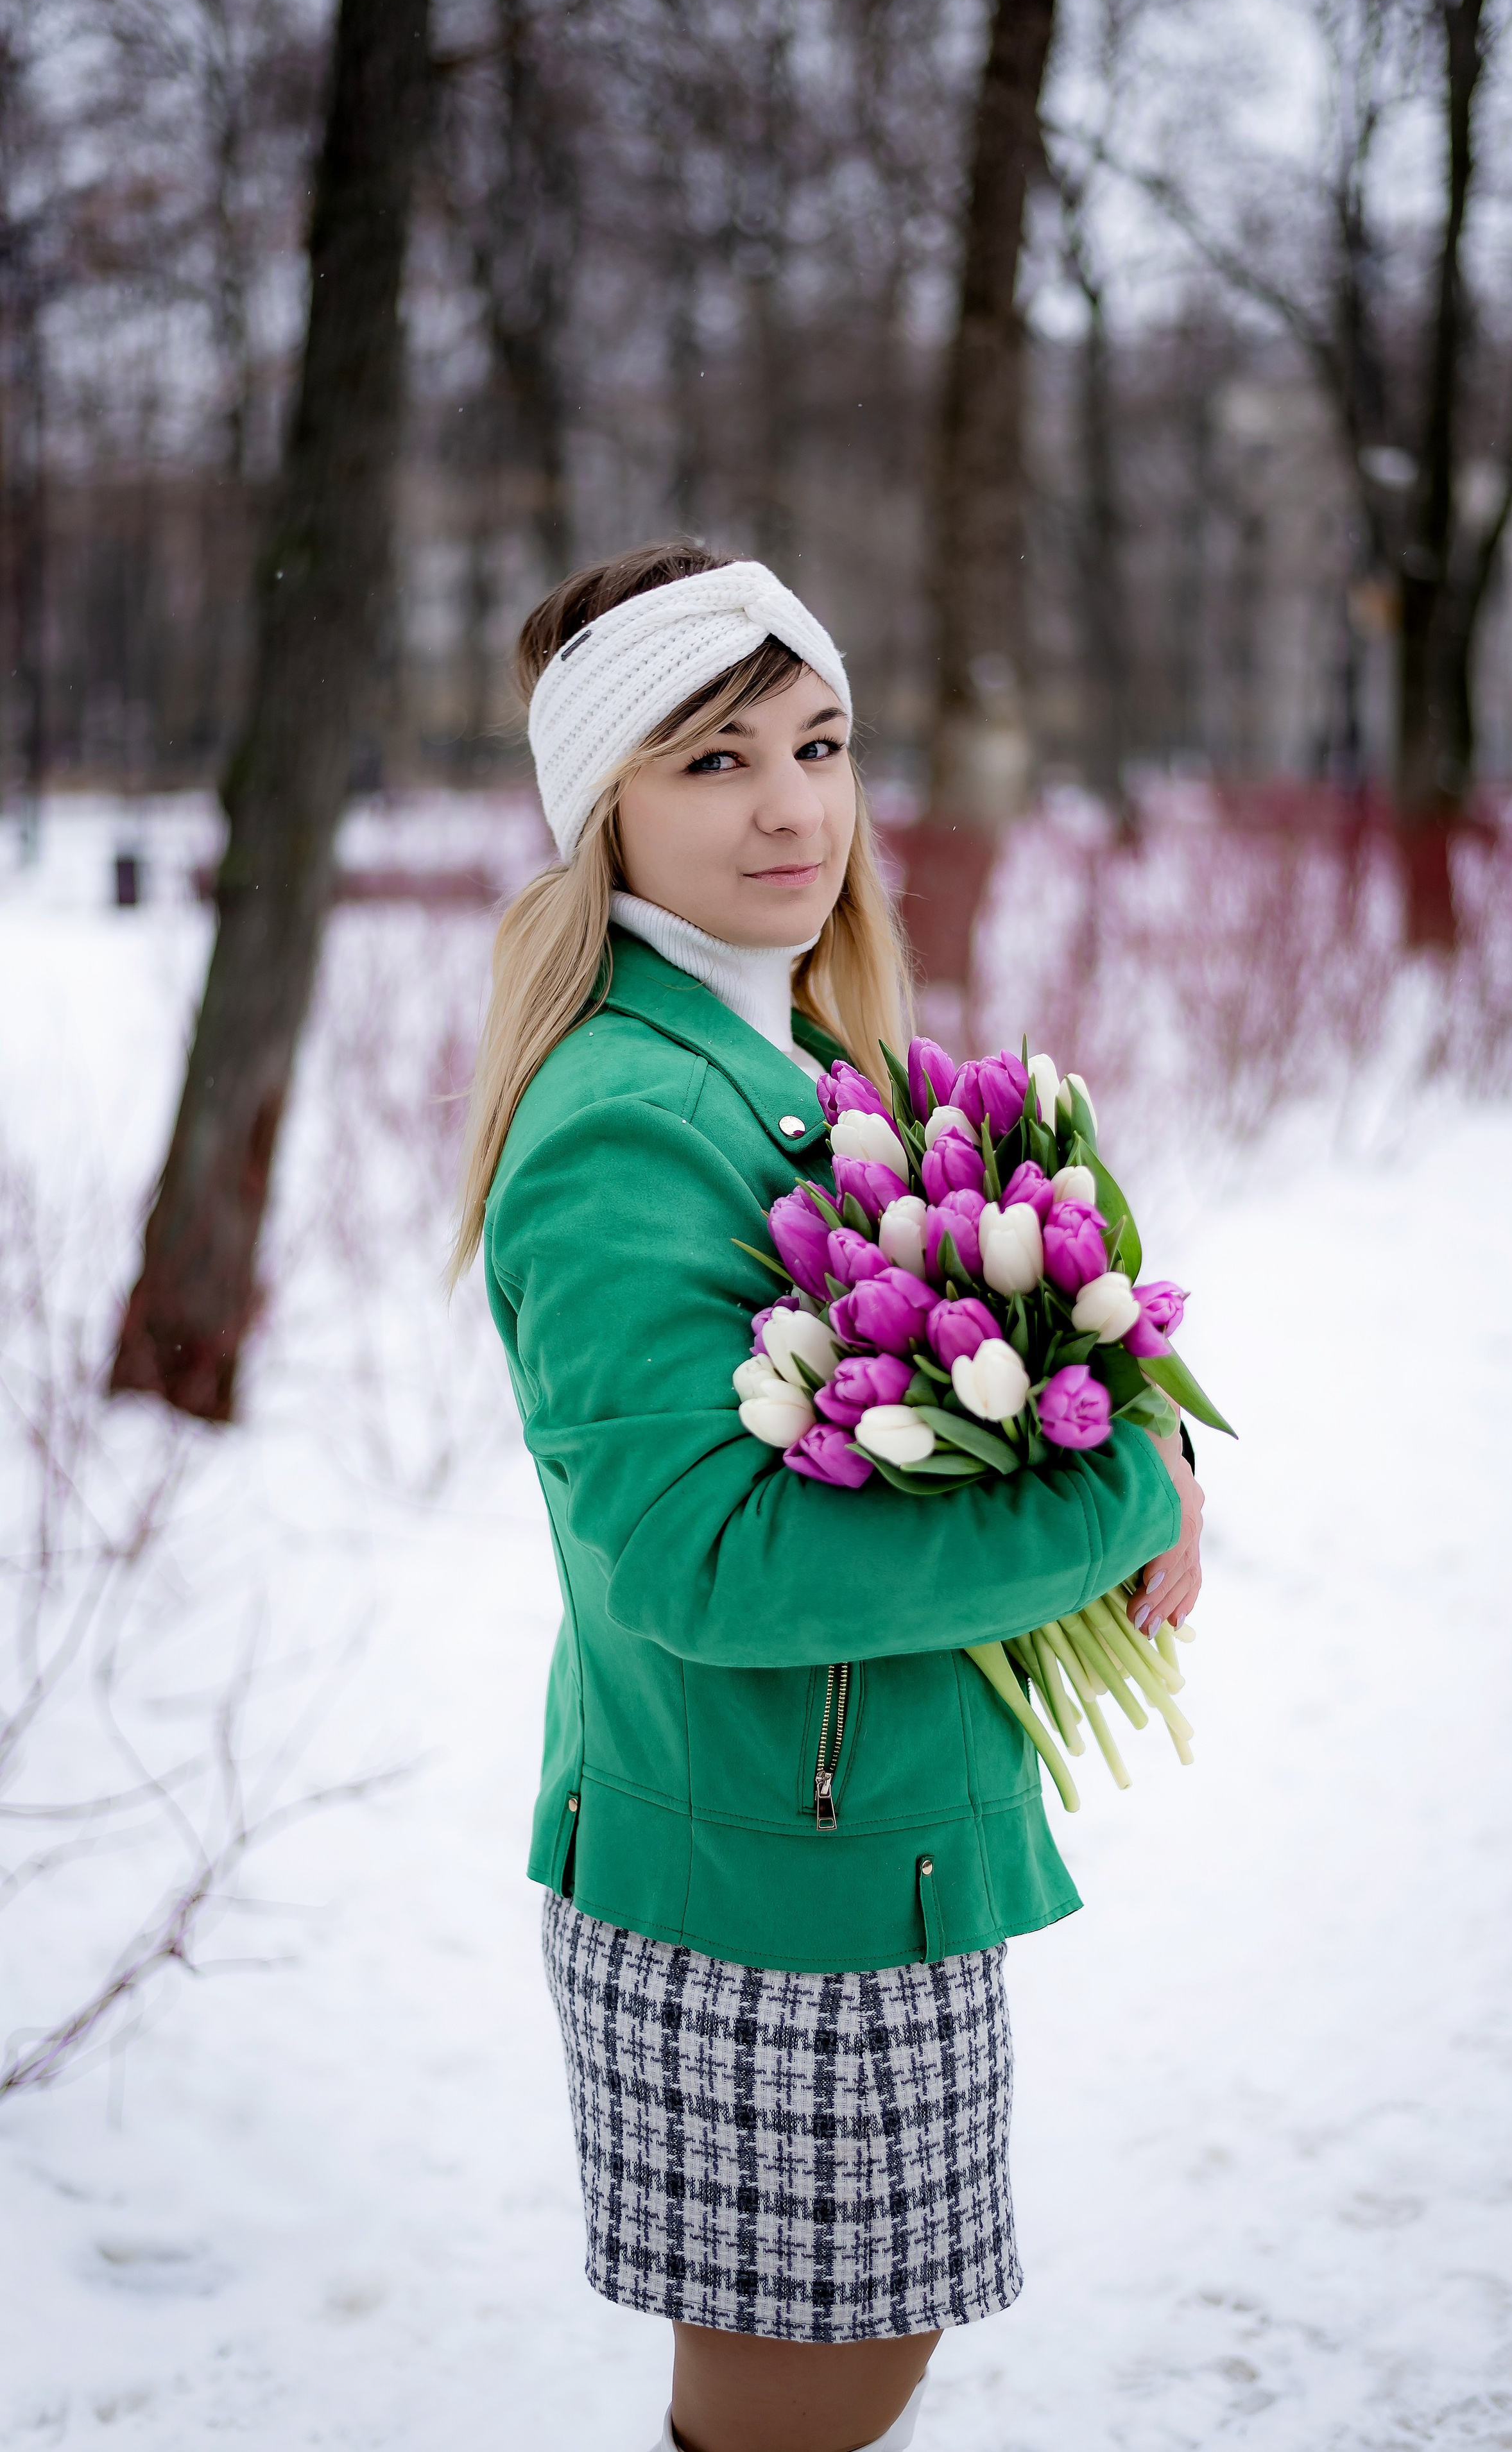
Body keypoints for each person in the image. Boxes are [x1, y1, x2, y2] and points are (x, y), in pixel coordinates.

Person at [451, 540, 1204, 2452]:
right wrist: (1113, 1499)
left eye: (820, 740)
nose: (791, 803)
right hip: (758, 1891)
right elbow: (707, 1562)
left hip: (844, 1855)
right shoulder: (628, 1112)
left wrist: (1134, 1425)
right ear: (600, 802)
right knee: (802, 2407)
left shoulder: (790, 1053)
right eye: (711, 760)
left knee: (836, 2391)